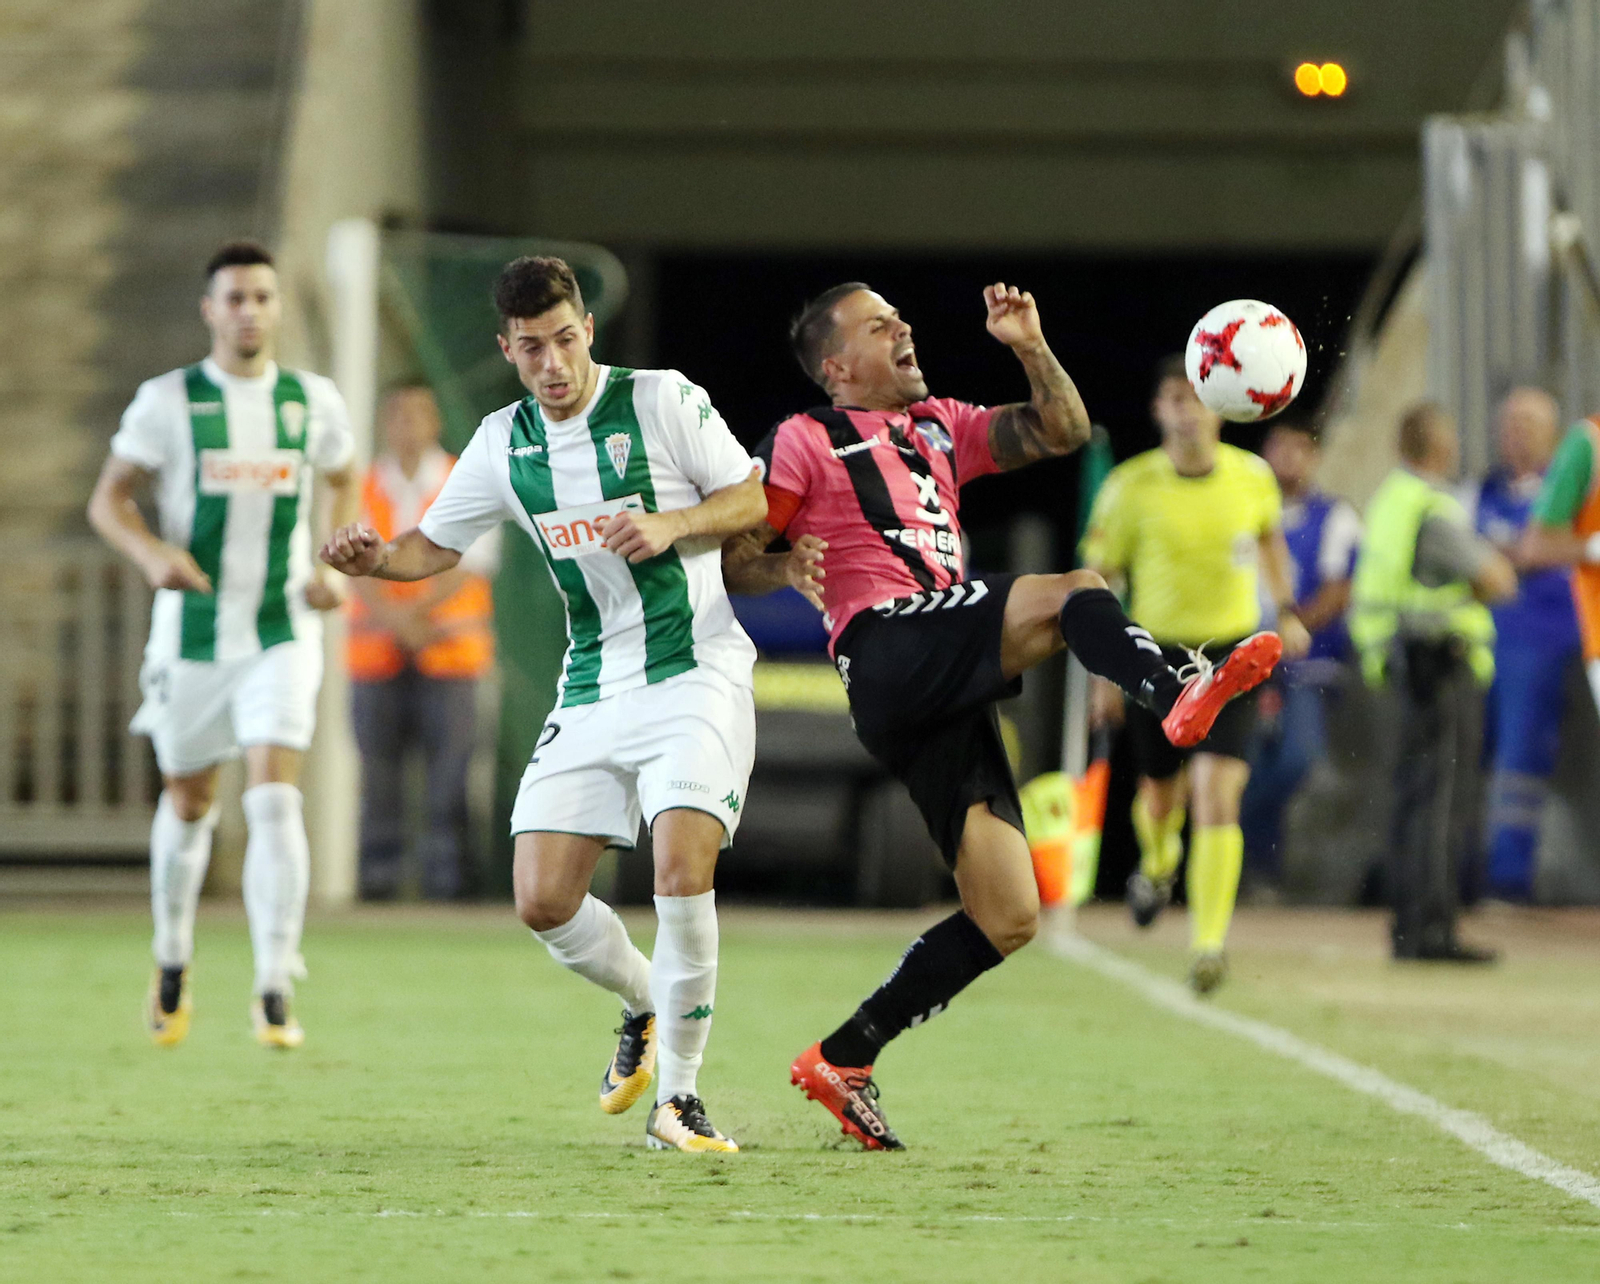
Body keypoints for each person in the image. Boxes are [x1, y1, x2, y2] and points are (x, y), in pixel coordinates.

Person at [722, 282, 1281, 1150]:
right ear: (837, 366)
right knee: (1076, 592)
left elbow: (1059, 430)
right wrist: (784, 567)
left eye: (900, 317)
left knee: (1009, 912)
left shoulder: (941, 423)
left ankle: (847, 1054)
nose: (904, 327)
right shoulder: (806, 437)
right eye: (880, 326)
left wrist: (1029, 344)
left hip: (937, 679)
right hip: (884, 648)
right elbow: (737, 556)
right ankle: (1174, 689)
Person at [320, 256, 766, 1153]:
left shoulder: (662, 401)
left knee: (680, 869)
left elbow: (752, 493)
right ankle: (645, 1003)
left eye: (565, 340)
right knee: (542, 901)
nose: (553, 364)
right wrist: (373, 560)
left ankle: (677, 1100)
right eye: (532, 349)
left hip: (694, 672)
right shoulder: (501, 441)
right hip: (593, 682)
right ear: (508, 350)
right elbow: (432, 547)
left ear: (588, 330)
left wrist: (674, 524)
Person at [86, 240, 358, 1049]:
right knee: (190, 800)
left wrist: (331, 565)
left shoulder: (312, 402)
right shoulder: (167, 400)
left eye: (263, 297)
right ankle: (172, 957)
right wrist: (152, 555)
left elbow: (343, 475)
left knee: (275, 796)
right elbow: (110, 501)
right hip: (195, 634)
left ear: (277, 309)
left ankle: (275, 981)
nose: (249, 311)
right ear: (211, 310)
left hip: (281, 630)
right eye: (234, 298)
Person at [1081, 357, 1311, 993]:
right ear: (1158, 411)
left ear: (1220, 406)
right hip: (1155, 658)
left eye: (1196, 397)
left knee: (1217, 793)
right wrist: (1105, 672)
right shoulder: (1130, 486)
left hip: (1231, 658)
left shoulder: (1252, 477)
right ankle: (1157, 862)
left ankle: (1208, 945)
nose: (1187, 409)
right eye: (1174, 398)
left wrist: (1287, 611)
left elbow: (1270, 543)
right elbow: (1103, 580)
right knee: (1161, 795)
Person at [1350, 403, 1516, 962]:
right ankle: (1432, 930)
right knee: (1441, 802)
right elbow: (1496, 578)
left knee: (1412, 799)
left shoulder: (1390, 500)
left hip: (1397, 664)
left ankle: (1407, 926)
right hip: (1440, 666)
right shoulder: (1433, 506)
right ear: (1440, 447)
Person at [345, 384, 499, 901]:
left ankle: (448, 890)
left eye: (418, 414)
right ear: (384, 423)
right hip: (375, 658)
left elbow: (473, 562)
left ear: (435, 421)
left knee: (449, 780)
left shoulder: (465, 479)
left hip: (452, 657)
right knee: (378, 780)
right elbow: (352, 566)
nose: (408, 426)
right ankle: (379, 886)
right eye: (398, 415)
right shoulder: (361, 488)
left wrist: (410, 614)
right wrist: (398, 620)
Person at [1466, 389, 1578, 902]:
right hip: (1480, 642)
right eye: (1510, 421)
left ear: (1553, 432)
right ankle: (1462, 874)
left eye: (1530, 422)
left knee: (1518, 761)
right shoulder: (1483, 490)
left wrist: (1503, 555)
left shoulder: (1570, 487)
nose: (1518, 432)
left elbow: (1539, 550)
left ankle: (1509, 882)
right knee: (1469, 759)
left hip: (1541, 646)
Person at [1240, 422, 1362, 886]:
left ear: (1314, 456)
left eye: (1299, 446)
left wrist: (1286, 631)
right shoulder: (1245, 510)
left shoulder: (1334, 516)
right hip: (1244, 668)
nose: (1288, 456)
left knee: (1297, 761)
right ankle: (1252, 872)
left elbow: (1338, 591)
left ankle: (1258, 861)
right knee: (1242, 767)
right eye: (1279, 445)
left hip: (1305, 669)